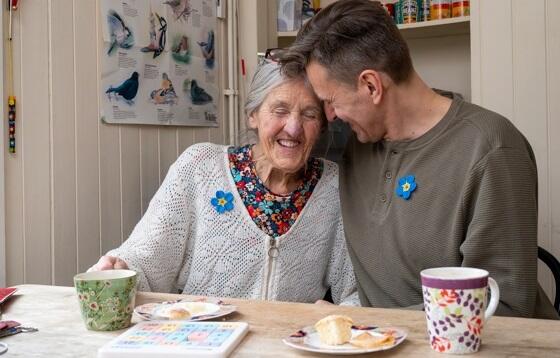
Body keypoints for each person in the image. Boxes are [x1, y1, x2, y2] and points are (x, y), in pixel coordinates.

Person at [280, 0, 558, 318]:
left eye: (331, 101)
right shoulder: (359, 142)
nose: (331, 115)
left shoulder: (492, 150)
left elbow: (506, 307)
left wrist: (362, 323)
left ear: (371, 86)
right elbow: (281, 144)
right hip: (382, 341)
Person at [89, 61, 358, 305]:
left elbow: (356, 291)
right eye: (280, 110)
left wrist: (336, 317)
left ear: (322, 125)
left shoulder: (334, 187)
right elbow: (147, 257)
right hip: (203, 341)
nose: (293, 128)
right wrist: (120, 266)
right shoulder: (200, 167)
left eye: (309, 115)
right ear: (253, 114)